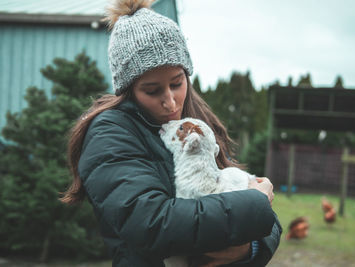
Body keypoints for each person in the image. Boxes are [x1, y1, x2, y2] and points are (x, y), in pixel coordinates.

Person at [61, 0, 282, 266]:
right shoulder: (111, 134)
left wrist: (253, 246)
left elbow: (250, 207)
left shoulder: (197, 123)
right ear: (128, 89)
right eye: (152, 91)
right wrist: (255, 203)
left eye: (177, 83)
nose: (171, 102)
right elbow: (150, 223)